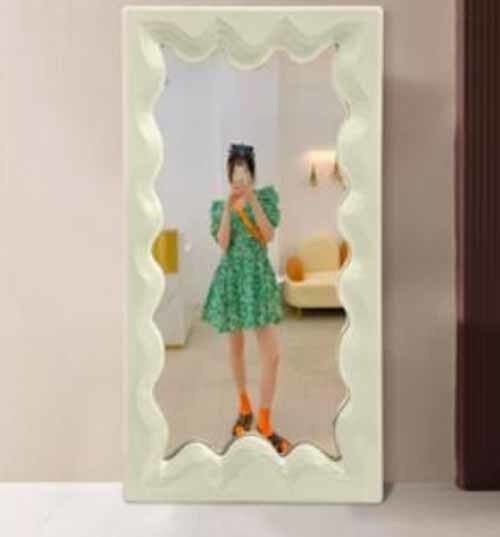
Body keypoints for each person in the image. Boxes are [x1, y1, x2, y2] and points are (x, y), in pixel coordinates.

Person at [201, 143, 291, 455]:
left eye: (245, 174)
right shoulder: (219, 207)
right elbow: (223, 243)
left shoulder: (264, 199)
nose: (240, 179)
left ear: (252, 175)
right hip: (232, 279)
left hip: (257, 278)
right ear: (229, 177)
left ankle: (264, 418)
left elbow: (268, 235)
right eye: (235, 175)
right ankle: (244, 406)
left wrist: (251, 199)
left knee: (272, 354)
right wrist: (228, 208)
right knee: (236, 348)